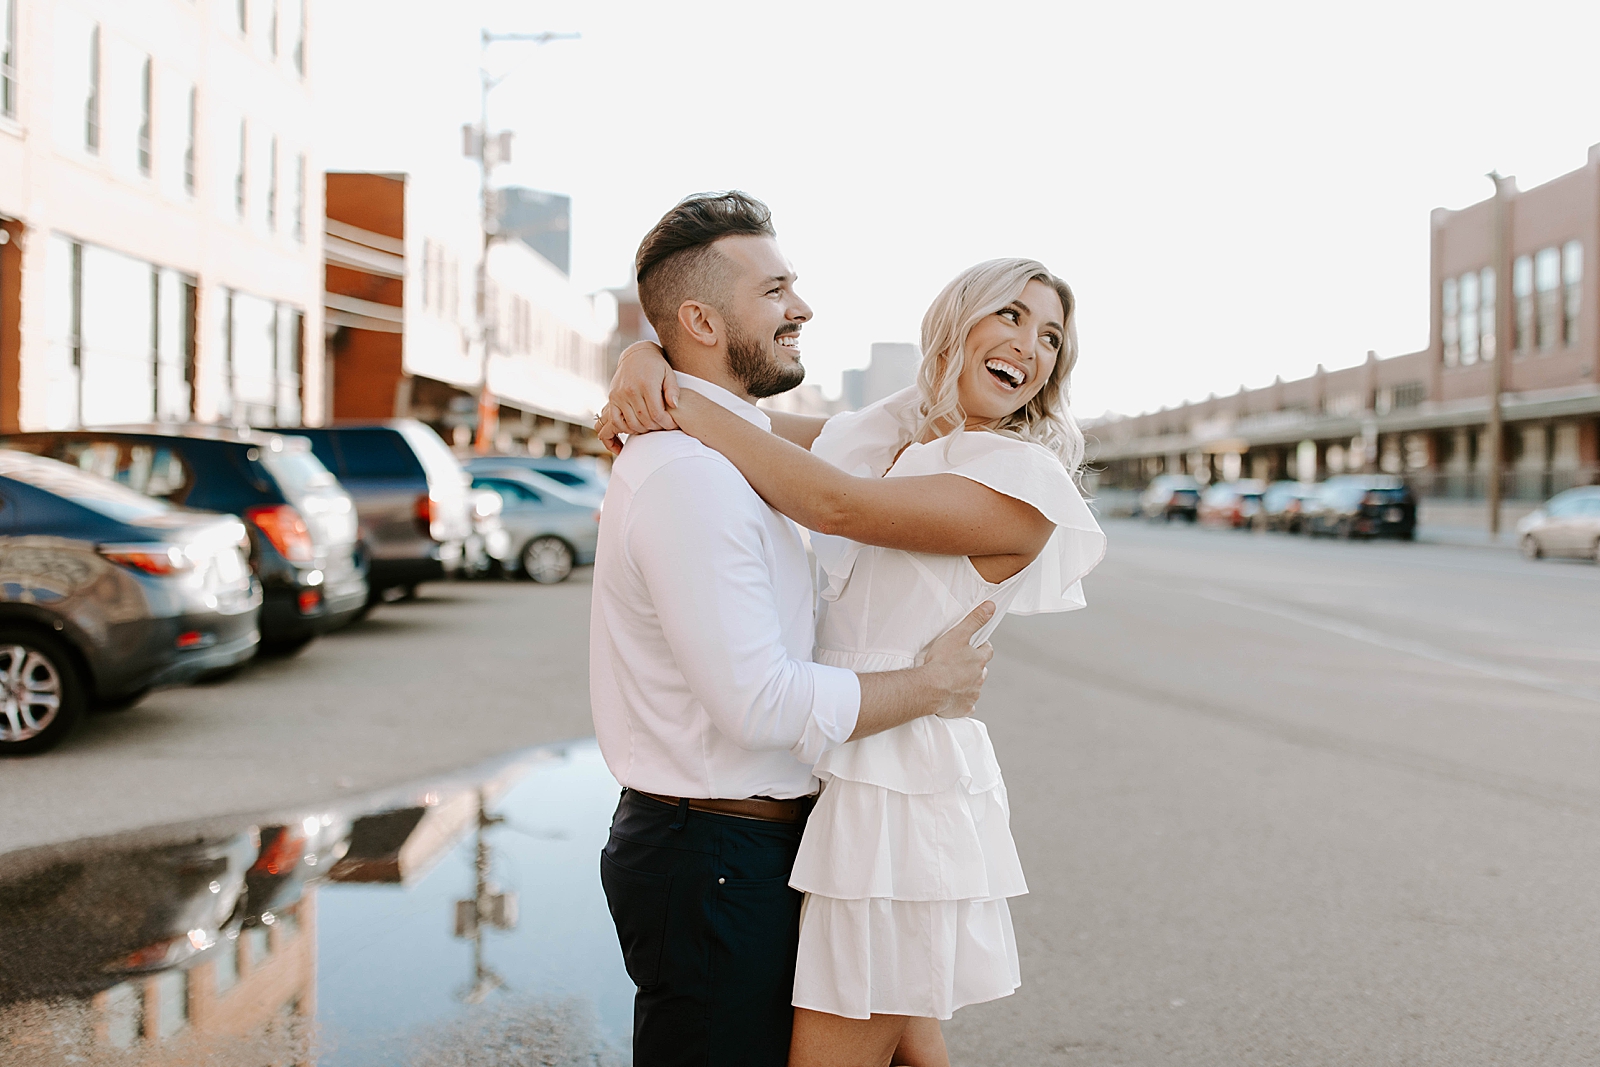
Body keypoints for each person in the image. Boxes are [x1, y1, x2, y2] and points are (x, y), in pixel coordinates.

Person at [599, 255, 1107, 1066]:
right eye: (1011, 315)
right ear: (957, 321)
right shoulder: (904, 436)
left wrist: (671, 394)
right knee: (907, 1042)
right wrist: (645, 358)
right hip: (848, 769)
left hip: (898, 790)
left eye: (1051, 336)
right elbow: (759, 430)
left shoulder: (1023, 480)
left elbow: (835, 504)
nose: (1031, 346)